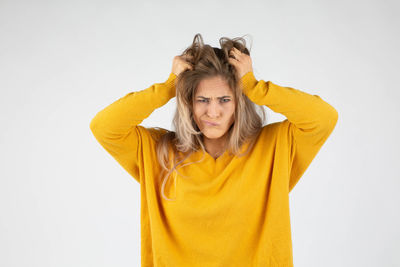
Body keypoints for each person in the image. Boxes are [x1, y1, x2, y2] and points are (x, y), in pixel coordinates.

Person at [90, 33, 338, 266]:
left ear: (239, 102)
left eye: (224, 100)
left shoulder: (273, 146)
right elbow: (105, 127)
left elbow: (323, 118)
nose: (213, 112)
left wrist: (254, 85)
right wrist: (169, 86)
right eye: (202, 100)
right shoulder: (160, 152)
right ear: (188, 102)